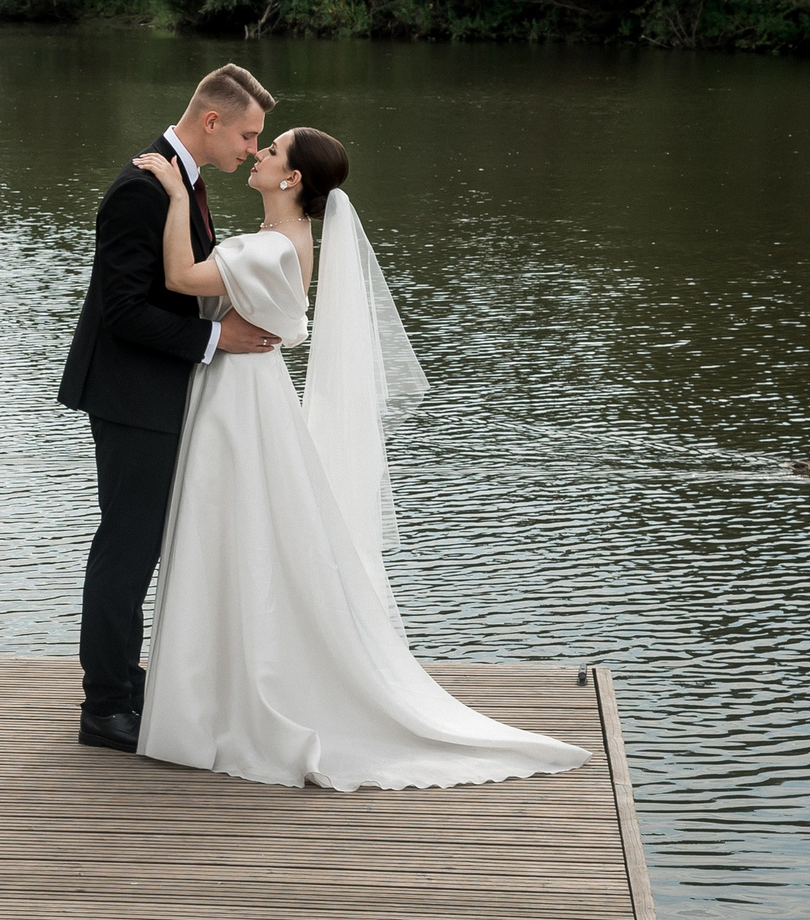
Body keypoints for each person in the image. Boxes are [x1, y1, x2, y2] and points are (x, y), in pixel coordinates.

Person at [123, 126, 591, 788]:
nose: (259, 154)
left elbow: (177, 276)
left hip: (238, 401)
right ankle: (212, 694)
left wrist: (174, 193)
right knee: (242, 533)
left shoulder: (265, 248)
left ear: (292, 179)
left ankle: (212, 702)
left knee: (229, 529)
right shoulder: (289, 243)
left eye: (273, 150)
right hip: (249, 393)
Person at [57, 64, 280, 752]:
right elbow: (123, 311)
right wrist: (217, 337)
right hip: (129, 391)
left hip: (153, 388)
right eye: (247, 135)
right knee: (126, 545)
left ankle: (125, 676)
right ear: (211, 121)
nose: (250, 148)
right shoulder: (139, 189)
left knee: (139, 542)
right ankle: (104, 704)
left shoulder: (180, 181)